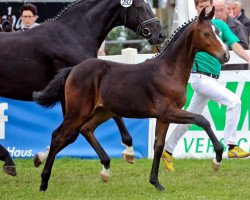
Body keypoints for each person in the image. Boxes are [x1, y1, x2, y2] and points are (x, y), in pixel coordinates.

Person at [161, 0, 250, 172]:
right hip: (199, 78)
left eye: (207, 6)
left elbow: (235, 45)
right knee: (235, 102)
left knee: (189, 118)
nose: (204, 9)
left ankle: (167, 150)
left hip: (212, 79)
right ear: (196, 9)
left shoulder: (219, 26)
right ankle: (232, 146)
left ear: (212, 8)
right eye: (201, 7)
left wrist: (248, 59)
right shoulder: (194, 29)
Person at [213, 0, 249, 70]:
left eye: (222, 10)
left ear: (227, 9)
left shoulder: (237, 25)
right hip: (217, 68)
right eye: (216, 11)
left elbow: (244, 46)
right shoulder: (209, 26)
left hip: (235, 68)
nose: (219, 13)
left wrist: (225, 47)